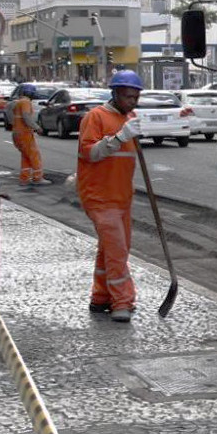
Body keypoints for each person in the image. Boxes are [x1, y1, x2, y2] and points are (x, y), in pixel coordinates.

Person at [77, 70, 144, 322]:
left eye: (136, 97)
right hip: (99, 196)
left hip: (121, 196)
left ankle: (101, 297)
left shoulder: (130, 117)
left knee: (111, 249)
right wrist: (120, 137)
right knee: (117, 252)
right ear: (115, 93)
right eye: (128, 97)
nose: (132, 102)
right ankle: (122, 302)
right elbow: (90, 153)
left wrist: (130, 133)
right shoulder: (96, 117)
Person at [9, 84, 45, 190]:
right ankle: (38, 178)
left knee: (26, 156)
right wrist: (37, 127)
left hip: (17, 133)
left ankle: (24, 179)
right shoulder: (25, 102)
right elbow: (26, 117)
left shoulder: (18, 102)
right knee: (34, 155)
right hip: (24, 133)